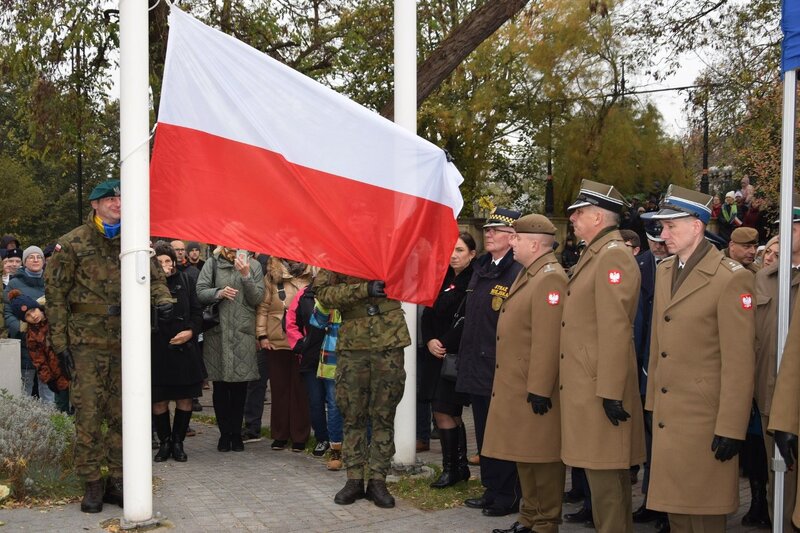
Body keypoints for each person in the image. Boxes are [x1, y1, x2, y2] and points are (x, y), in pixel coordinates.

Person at [45, 179, 174, 513]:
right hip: (86, 343)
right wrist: (60, 343)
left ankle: (118, 480)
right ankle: (91, 483)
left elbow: (154, 279)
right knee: (88, 414)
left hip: (127, 340)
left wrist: (163, 301)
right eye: (111, 198)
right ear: (94, 204)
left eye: (121, 198)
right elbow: (56, 296)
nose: (118, 203)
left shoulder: (135, 242)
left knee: (124, 414)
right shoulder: (72, 243)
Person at [644, 185, 755, 532]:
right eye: (662, 227)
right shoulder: (665, 271)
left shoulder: (729, 279)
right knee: (677, 514)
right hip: (668, 415)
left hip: (705, 420)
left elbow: (739, 363)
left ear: (696, 226)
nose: (663, 235)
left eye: (671, 226)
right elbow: (658, 343)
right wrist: (651, 405)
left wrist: (731, 428)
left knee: (704, 517)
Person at [560, 179, 644, 533]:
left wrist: (610, 390)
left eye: (578, 214)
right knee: (603, 481)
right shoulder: (595, 253)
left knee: (608, 485)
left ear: (597, 217)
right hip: (591, 384)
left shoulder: (612, 255)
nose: (574, 220)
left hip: (600, 388)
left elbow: (616, 327)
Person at [484, 215, 568, 533]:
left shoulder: (550, 278)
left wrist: (540, 388)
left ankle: (545, 523)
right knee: (525, 454)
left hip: (535, 387)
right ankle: (529, 518)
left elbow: (548, 338)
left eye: (516, 237)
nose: (512, 241)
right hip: (519, 383)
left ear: (533, 243)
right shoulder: (530, 273)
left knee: (542, 458)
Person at [315, 268, 411, 509]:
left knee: (384, 412)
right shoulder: (339, 252)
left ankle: (378, 480)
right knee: (352, 412)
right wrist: (364, 289)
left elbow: (416, 279)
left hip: (389, 338)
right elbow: (324, 294)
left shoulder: (391, 248)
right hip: (353, 344)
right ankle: (354, 478)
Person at [456, 208, 523, 517]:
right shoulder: (482, 268)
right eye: (488, 229)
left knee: (504, 434)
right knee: (484, 432)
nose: (489, 233)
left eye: (497, 230)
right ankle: (491, 488)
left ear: (513, 237)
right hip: (477, 365)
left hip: (500, 367)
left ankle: (508, 494)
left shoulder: (518, 271)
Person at [754, 195, 800, 530]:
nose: (787, 231)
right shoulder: (765, 278)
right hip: (770, 398)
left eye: (794, 225)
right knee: (778, 490)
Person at [420, 232, 476, 489]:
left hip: (453, 355)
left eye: (460, 250)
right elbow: (427, 313)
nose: (454, 255)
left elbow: (468, 321)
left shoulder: (473, 280)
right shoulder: (442, 277)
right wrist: (430, 339)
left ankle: (452, 468)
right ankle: (459, 467)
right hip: (434, 355)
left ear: (472, 254)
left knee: (446, 411)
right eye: (451, 250)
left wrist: (442, 342)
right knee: (445, 411)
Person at [196, 246, 264, 453]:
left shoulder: (254, 265)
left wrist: (246, 276)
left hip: (242, 332)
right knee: (221, 387)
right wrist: (218, 292)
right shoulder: (213, 263)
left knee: (240, 387)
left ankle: (237, 433)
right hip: (219, 333)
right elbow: (200, 292)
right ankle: (225, 434)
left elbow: (257, 298)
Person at [632, 222, 671, 533]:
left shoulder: (676, 267)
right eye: (654, 241)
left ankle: (667, 508)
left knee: (666, 443)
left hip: (666, 368)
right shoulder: (638, 266)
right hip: (642, 365)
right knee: (649, 441)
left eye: (663, 240)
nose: (660, 246)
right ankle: (650, 500)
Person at [151, 243, 205, 463]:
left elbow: (197, 312)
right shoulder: (146, 284)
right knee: (159, 400)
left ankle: (178, 442)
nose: (165, 266)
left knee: (185, 399)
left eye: (168, 261)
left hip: (184, 349)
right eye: (160, 262)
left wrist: (190, 332)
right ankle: (164, 443)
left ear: (174, 262)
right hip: (157, 349)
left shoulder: (186, 281)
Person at [255, 257, 313, 451]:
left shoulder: (312, 275)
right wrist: (262, 335)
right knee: (279, 390)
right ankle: (279, 434)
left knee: (301, 391)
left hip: (303, 342)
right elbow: (263, 308)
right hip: (277, 341)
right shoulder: (272, 276)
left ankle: (300, 436)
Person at [6, 289, 70, 406]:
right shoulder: (31, 335)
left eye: (33, 310)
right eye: (27, 315)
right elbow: (39, 360)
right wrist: (49, 379)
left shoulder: (56, 318)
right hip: (58, 376)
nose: (33, 316)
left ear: (38, 307)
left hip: (74, 367)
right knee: (63, 407)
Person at [4, 246, 49, 400]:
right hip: (25, 345)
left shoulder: (52, 282)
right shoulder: (14, 284)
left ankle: (50, 423)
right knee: (24, 390)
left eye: (39, 257)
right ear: (25, 262)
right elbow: (8, 313)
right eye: (31, 257)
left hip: (48, 345)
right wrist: (22, 329)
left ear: (43, 261)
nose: (35, 260)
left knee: (48, 391)